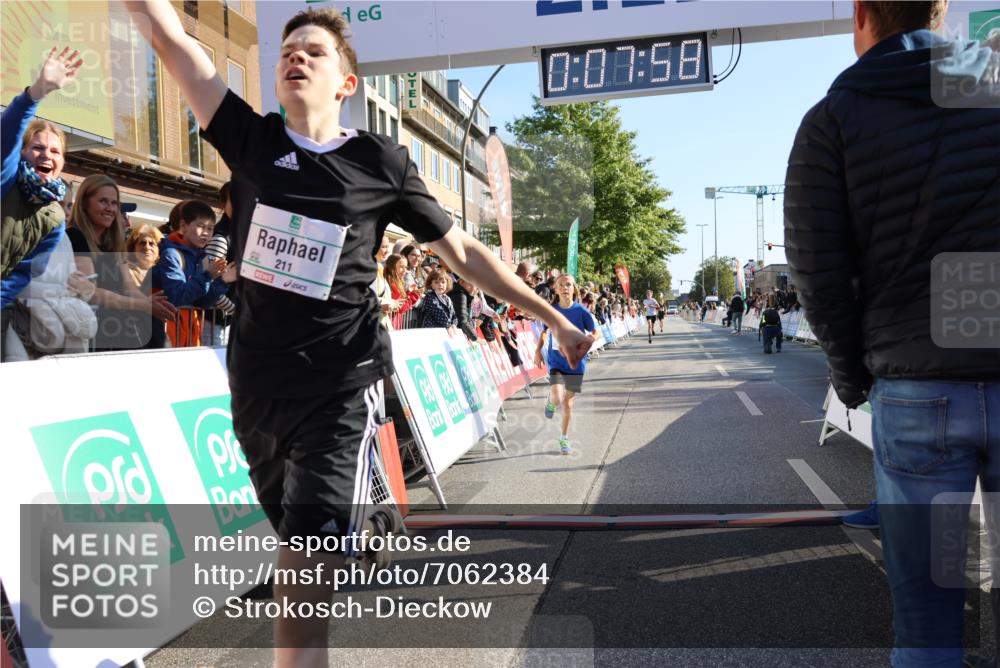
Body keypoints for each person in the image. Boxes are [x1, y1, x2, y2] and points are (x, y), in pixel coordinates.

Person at [124, 4, 593, 665]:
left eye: (315, 51)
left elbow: (461, 251)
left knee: (303, 566)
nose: (297, 57)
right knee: (296, 542)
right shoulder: (255, 142)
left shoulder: (380, 160)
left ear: (346, 83)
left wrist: (553, 317)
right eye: (290, 49)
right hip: (257, 386)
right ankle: (355, 526)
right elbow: (172, 42)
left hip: (341, 384)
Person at [783, 3, 1000, 667]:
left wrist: (853, 381)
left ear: (861, 14)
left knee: (929, 622)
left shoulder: (834, 120)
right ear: (940, 13)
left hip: (916, 390)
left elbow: (819, 271)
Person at [1, 47, 82, 355]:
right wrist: (36, 93)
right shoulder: (6, 178)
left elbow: (24, 272)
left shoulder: (55, 219)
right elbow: (7, 135)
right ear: (23, 153)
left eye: (55, 151)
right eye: (37, 148)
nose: (46, 155)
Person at [67, 175, 176, 351]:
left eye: (114, 203)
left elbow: (129, 288)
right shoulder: (75, 236)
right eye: (103, 201)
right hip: (96, 327)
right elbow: (90, 292)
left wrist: (151, 304)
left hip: (120, 321)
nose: (110, 208)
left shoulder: (114, 242)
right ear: (85, 204)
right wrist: (144, 305)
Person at [152, 199, 232, 347]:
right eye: (201, 226)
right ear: (183, 226)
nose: (206, 233)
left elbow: (203, 302)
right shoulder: (171, 254)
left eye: (210, 228)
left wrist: (222, 281)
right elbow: (177, 296)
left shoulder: (202, 258)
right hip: (165, 333)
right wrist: (208, 276)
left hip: (190, 333)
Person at [535, 274, 597, 455]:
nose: (564, 288)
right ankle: (551, 402)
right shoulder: (551, 310)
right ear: (555, 288)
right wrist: (538, 351)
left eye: (568, 285)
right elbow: (544, 332)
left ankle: (564, 437)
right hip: (556, 360)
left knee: (568, 404)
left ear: (573, 288)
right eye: (561, 285)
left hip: (576, 363)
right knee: (557, 396)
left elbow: (595, 331)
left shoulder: (581, 311)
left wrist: (590, 339)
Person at [125, 223, 169, 348]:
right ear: (133, 248)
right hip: (133, 334)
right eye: (142, 243)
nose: (147, 247)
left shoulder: (165, 273)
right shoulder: (124, 270)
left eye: (152, 244)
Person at [416, 268, 458, 337]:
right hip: (431, 332)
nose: (440, 285)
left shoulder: (447, 298)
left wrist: (454, 324)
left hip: (445, 331)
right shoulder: (430, 296)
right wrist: (448, 325)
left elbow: (453, 314)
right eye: (436, 282)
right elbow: (438, 312)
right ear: (430, 284)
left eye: (443, 282)